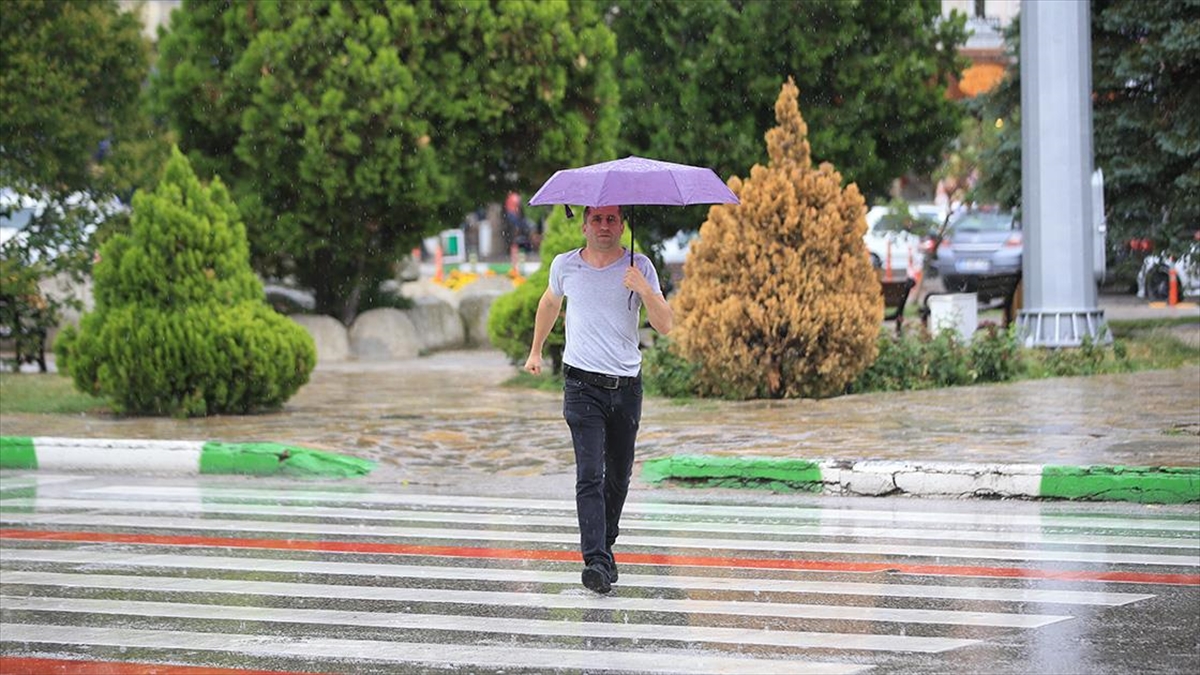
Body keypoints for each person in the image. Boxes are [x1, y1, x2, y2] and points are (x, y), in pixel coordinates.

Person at [524, 204, 673, 594]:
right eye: (597, 219)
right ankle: (595, 560)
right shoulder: (565, 265)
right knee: (590, 474)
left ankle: (604, 548)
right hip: (581, 387)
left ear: (622, 225)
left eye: (611, 219)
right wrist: (536, 351)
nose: (604, 226)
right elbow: (549, 304)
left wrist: (644, 290)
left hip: (626, 387)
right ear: (585, 225)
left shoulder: (641, 266)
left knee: (618, 477)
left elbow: (666, 325)